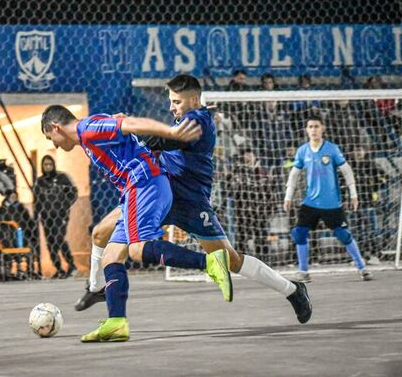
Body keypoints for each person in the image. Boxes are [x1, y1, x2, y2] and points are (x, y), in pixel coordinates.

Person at [75, 75, 311, 330]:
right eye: (171, 101)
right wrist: (120, 125)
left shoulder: (198, 121)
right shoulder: (183, 118)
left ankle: (292, 290)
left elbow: (165, 140)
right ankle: (97, 288)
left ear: (194, 99)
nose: (171, 107)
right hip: (156, 193)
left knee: (230, 260)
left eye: (176, 101)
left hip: (190, 202)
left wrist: (121, 126)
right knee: (103, 236)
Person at [41, 101, 232, 343]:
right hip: (135, 190)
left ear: (56, 127)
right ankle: (116, 323)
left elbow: (130, 124)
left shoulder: (88, 128)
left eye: (51, 138)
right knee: (111, 255)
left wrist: (171, 132)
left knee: (137, 249)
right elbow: (121, 119)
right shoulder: (89, 131)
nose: (54, 145)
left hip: (144, 184)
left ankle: (211, 263)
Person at [283, 115, 373, 282]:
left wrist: (354, 194)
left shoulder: (332, 149)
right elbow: (294, 174)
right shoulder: (303, 150)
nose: (314, 129)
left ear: (322, 128)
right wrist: (288, 196)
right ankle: (303, 271)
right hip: (310, 202)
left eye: (317, 126)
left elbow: (346, 170)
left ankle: (362, 268)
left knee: (344, 235)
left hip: (332, 204)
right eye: (310, 126)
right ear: (306, 130)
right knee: (299, 233)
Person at [34, 155, 78, 278]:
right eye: (45, 165)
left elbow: (73, 192)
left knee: (59, 238)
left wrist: (65, 205)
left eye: (50, 164)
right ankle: (58, 268)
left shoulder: (62, 178)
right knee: (50, 242)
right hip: (46, 216)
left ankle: (71, 265)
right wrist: (36, 215)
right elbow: (36, 200)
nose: (47, 167)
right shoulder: (40, 181)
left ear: (53, 165)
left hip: (61, 215)